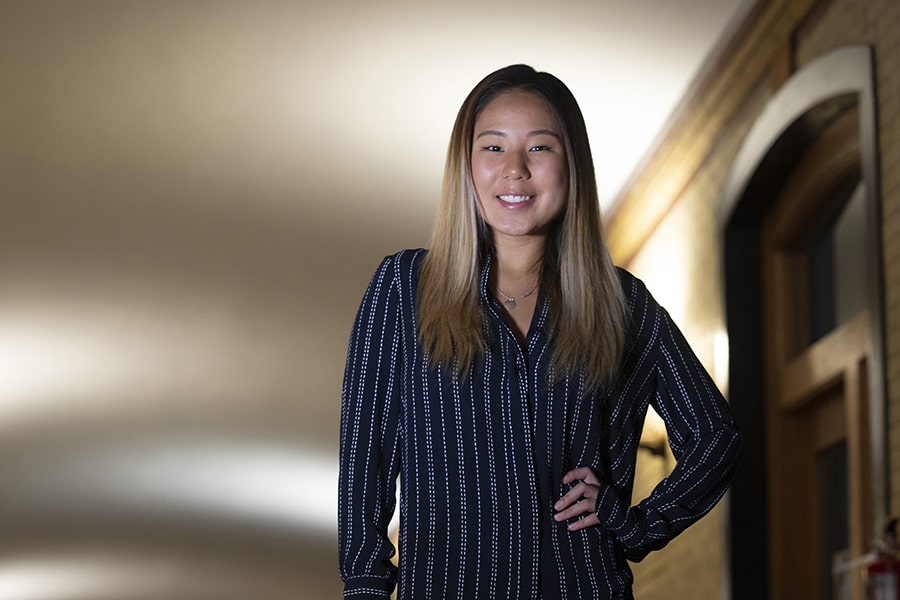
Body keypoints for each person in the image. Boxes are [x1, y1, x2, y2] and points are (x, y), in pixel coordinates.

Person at [338, 64, 741, 600]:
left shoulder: (622, 305)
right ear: (466, 164)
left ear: (572, 165)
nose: (516, 171)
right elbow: (365, 458)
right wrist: (365, 587)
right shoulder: (403, 289)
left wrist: (634, 524)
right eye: (494, 148)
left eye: (541, 148)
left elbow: (716, 439)